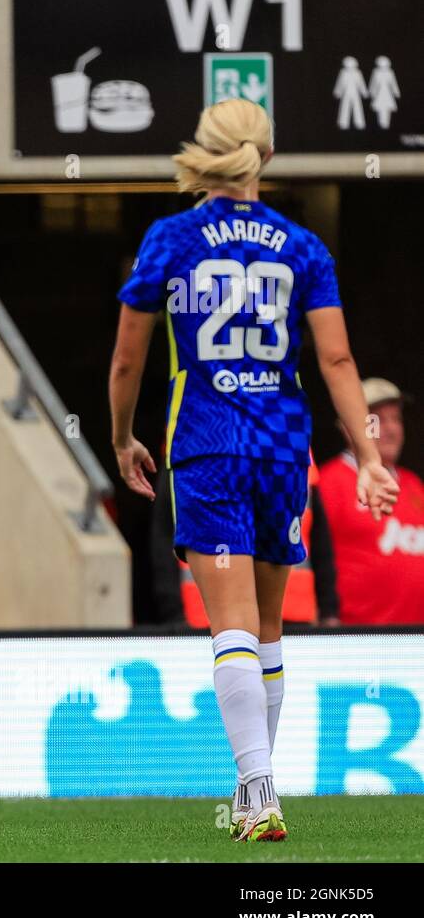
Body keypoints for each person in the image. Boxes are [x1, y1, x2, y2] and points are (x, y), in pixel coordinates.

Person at [109, 98, 399, 843]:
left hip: (205, 447)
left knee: (228, 626)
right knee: (268, 628)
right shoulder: (302, 245)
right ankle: (253, 794)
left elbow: (127, 359)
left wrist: (121, 438)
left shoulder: (169, 238)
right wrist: (366, 456)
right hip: (280, 451)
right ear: (264, 158)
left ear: (203, 155)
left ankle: (258, 791)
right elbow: (336, 360)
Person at [150, 458, 341, 626]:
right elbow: (164, 538)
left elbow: (319, 538)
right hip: (207, 615)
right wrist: (173, 613)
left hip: (292, 611)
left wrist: (328, 609)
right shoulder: (193, 442)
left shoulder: (294, 440)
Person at [319, 377, 424, 625]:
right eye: (377, 420)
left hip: (416, 640)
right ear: (347, 427)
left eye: (396, 419)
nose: (391, 429)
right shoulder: (328, 483)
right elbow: (311, 561)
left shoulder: (413, 484)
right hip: (356, 641)